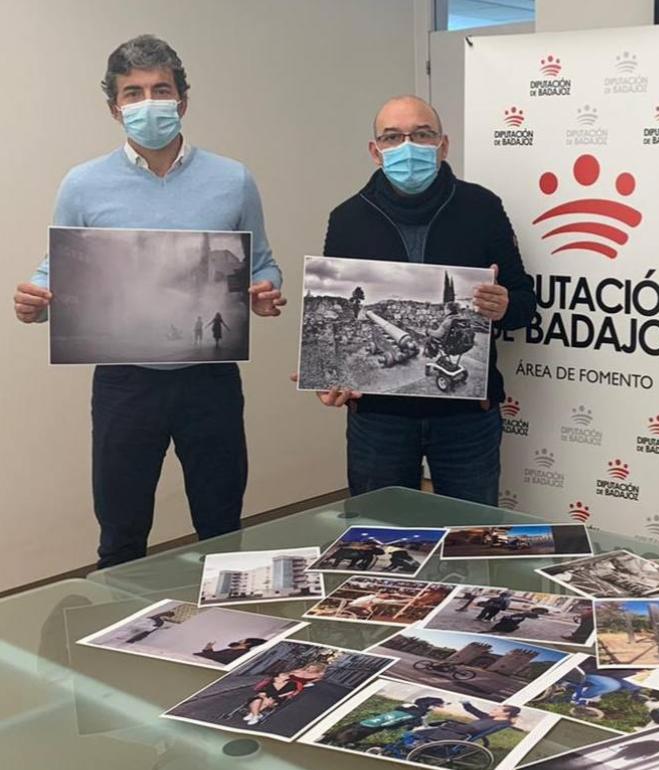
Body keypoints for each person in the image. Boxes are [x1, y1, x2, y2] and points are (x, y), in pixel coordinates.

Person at [11, 35, 285, 568]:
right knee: (121, 529)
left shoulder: (232, 179)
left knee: (221, 521)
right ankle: (120, 620)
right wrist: (35, 300)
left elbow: (263, 264)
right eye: (132, 93)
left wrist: (265, 293)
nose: (148, 102)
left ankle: (226, 616)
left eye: (161, 89)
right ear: (114, 108)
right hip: (125, 380)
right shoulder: (83, 184)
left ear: (182, 100)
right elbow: (57, 269)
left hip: (210, 376)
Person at [310, 95, 537, 506]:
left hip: (467, 419)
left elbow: (524, 302)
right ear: (375, 151)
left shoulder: (482, 208)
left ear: (443, 145)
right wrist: (330, 375)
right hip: (378, 420)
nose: (408, 146)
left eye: (422, 134)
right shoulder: (347, 219)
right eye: (392, 137)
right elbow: (343, 306)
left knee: (472, 535)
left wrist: (505, 306)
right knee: (380, 532)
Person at [194, 637, 267, 666]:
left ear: (248, 643)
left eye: (242, 640)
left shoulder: (242, 653)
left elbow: (221, 658)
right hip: (200, 659)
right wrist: (208, 648)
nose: (239, 640)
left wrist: (208, 653)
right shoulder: (232, 650)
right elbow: (215, 655)